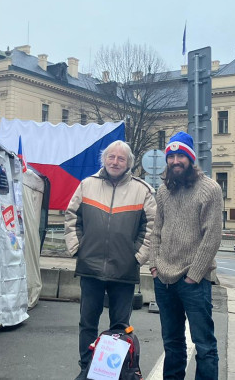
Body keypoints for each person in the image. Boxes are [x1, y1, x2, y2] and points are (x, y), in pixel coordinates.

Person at [64, 140, 156, 379]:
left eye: (121, 158)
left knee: (120, 328)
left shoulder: (142, 190)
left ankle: (113, 374)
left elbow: (152, 227)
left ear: (129, 163)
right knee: (87, 324)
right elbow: (72, 216)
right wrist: (77, 248)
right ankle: (86, 370)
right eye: (111, 157)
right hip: (90, 268)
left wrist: (138, 256)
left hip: (124, 270)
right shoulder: (87, 185)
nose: (115, 162)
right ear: (104, 159)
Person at [149, 131, 221, 379]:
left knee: (205, 346)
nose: (175, 161)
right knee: (172, 343)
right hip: (164, 280)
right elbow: (155, 230)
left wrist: (194, 275)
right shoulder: (163, 191)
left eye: (181, 155)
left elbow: (212, 236)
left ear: (190, 158)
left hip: (194, 281)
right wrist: (154, 266)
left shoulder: (210, 189)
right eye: (171, 156)